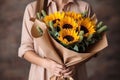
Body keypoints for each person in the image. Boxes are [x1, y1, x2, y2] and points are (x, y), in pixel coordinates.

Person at [18, 0, 97, 80]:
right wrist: (47, 64)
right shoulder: (32, 8)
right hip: (42, 75)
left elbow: (93, 48)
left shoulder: (84, 7)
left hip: (74, 75)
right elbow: (25, 49)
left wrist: (75, 65)